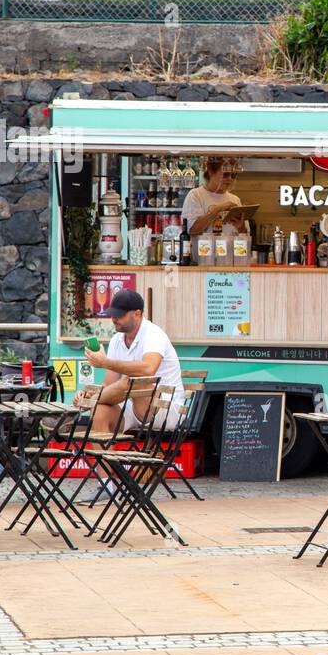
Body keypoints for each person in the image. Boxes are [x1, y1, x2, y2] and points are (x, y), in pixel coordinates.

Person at [83, 289, 184, 498]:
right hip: (132, 405)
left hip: (165, 408)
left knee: (134, 384)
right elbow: (109, 383)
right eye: (112, 314)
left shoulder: (153, 334)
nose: (114, 319)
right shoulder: (117, 340)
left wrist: (105, 363)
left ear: (136, 313)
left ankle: (91, 401)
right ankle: (108, 484)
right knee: (100, 410)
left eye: (119, 315)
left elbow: (149, 369)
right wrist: (91, 394)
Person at [181, 156, 249, 237]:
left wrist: (241, 227)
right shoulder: (196, 195)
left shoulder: (235, 199)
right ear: (211, 172)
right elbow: (192, 231)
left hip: (231, 249)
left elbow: (245, 236)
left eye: (234, 175)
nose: (230, 179)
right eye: (226, 174)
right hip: (204, 249)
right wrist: (217, 210)